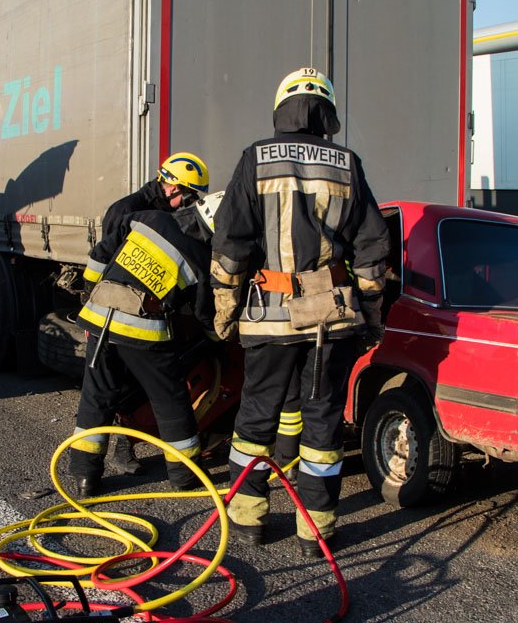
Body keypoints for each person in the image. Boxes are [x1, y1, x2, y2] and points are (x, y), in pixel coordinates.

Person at [211, 67, 390, 558]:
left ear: (281, 107)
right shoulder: (347, 163)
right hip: (330, 320)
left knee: (256, 418)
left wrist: (224, 309)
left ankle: (247, 520)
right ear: (327, 111)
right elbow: (373, 249)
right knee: (322, 423)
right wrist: (372, 316)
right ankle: (317, 531)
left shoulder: (256, 158)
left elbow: (230, 244)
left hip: (268, 317)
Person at [69, 193, 224, 498]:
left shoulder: (149, 217)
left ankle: (85, 477)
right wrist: (219, 339)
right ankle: (184, 474)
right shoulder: (201, 258)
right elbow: (206, 315)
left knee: (97, 397)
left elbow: (101, 253)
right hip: (143, 329)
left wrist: (90, 292)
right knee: (170, 399)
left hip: (99, 317)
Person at [85, 152, 210, 474]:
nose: (188, 204)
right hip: (128, 316)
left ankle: (87, 469)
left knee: (103, 392)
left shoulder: (162, 213)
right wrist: (91, 303)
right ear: (170, 185)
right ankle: (124, 447)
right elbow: (104, 262)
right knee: (135, 388)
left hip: (141, 315)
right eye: (188, 195)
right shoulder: (126, 211)